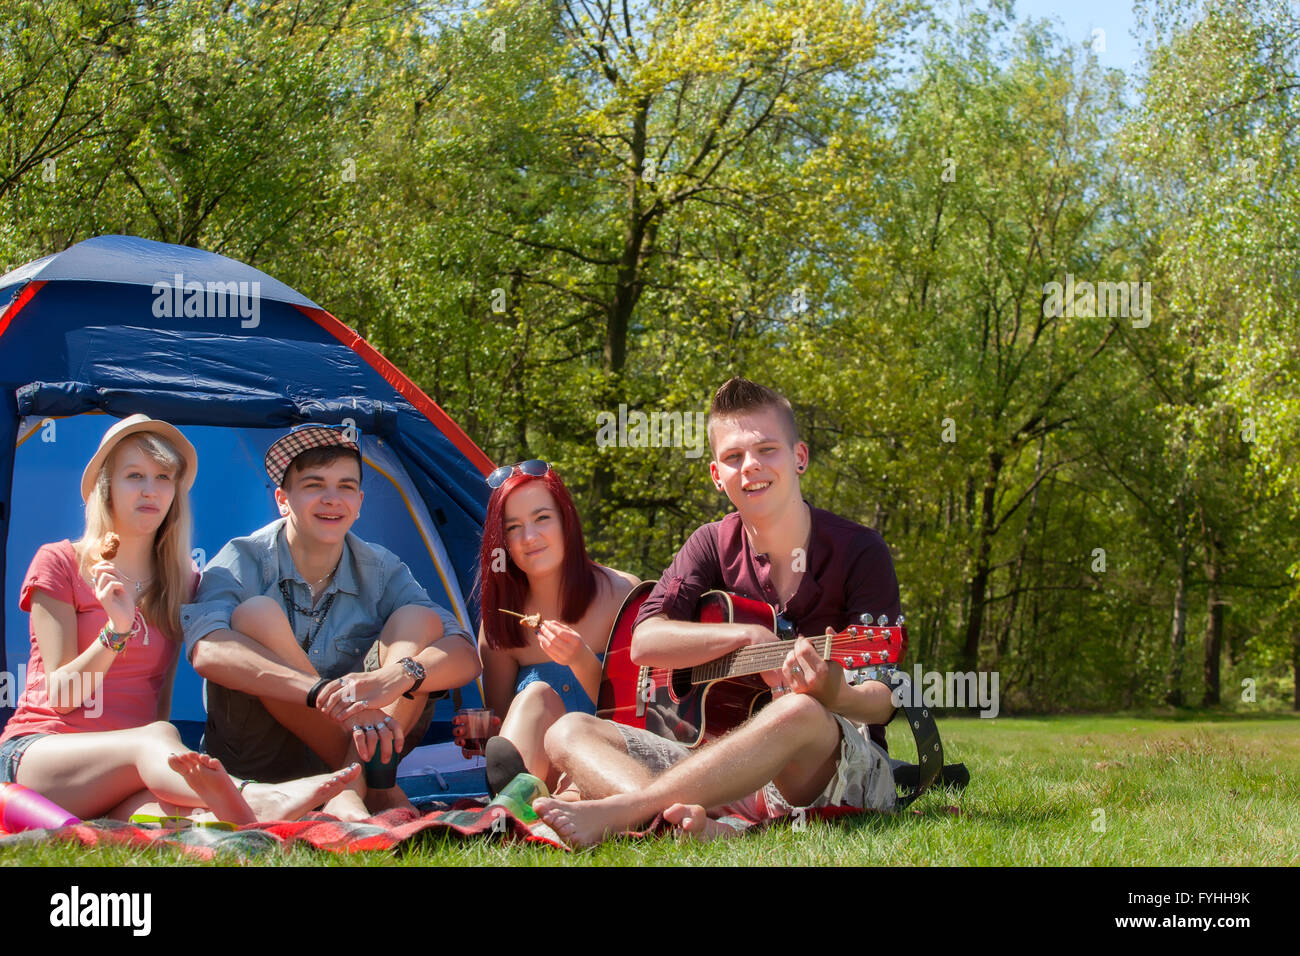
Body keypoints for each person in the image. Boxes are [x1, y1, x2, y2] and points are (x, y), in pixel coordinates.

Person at [534, 379, 901, 844]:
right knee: (566, 731)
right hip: (720, 761)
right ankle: (693, 827)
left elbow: (884, 699)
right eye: (733, 457)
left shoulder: (859, 549)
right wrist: (747, 638)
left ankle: (627, 809)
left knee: (798, 710)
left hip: (827, 766)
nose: (750, 467)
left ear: (800, 457)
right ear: (716, 474)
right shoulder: (711, 542)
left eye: (767, 449)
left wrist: (833, 691)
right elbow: (645, 642)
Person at [0, 415, 359, 825]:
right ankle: (259, 797)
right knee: (158, 739)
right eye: (134, 476)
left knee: (188, 822)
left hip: (131, 771)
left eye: (163, 477)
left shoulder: (183, 580)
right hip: (41, 756)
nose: (150, 490)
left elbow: (160, 698)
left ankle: (273, 815)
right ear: (107, 487)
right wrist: (116, 631)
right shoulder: (60, 562)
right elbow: (62, 696)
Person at [185, 424, 481, 821]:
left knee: (419, 619)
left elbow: (465, 656)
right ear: (282, 500)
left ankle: (350, 789)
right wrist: (324, 694)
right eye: (313, 485)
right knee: (256, 614)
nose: (331, 499)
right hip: (261, 758)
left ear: (359, 503)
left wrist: (395, 676)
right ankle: (373, 785)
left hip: (369, 738)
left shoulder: (381, 567)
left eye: (345, 486)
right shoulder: (242, 559)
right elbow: (207, 651)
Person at [453, 460, 638, 795]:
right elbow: (501, 730)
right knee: (535, 696)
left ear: (566, 521)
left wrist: (581, 659)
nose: (529, 537)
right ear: (502, 542)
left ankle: (519, 813)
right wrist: (479, 733)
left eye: (542, 519)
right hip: (540, 772)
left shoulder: (621, 594)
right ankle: (515, 808)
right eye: (513, 528)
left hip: (611, 764)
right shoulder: (501, 621)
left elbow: (641, 713)